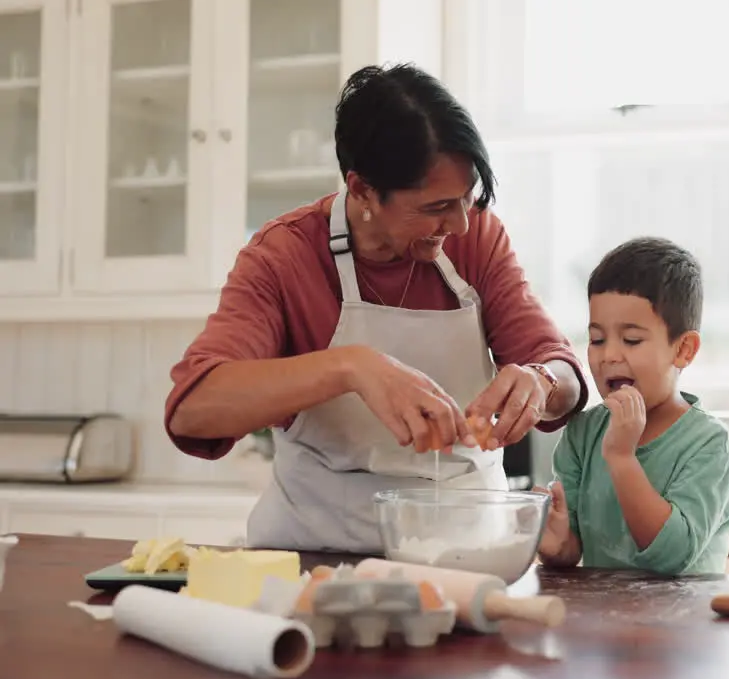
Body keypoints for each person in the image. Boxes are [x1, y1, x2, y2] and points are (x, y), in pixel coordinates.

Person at [163, 64, 588, 553]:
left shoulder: (477, 237)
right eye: (434, 208)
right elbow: (192, 412)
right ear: (362, 189)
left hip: (466, 553)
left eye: (465, 200)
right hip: (316, 552)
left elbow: (562, 371)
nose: (460, 225)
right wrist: (349, 367)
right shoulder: (284, 256)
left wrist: (543, 381)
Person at [533, 237, 729, 576]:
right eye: (597, 339)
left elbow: (673, 556)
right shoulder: (582, 433)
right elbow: (572, 549)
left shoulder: (708, 443)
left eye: (631, 340)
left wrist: (621, 458)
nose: (609, 354)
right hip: (607, 623)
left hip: (686, 623)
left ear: (684, 350)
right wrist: (557, 545)